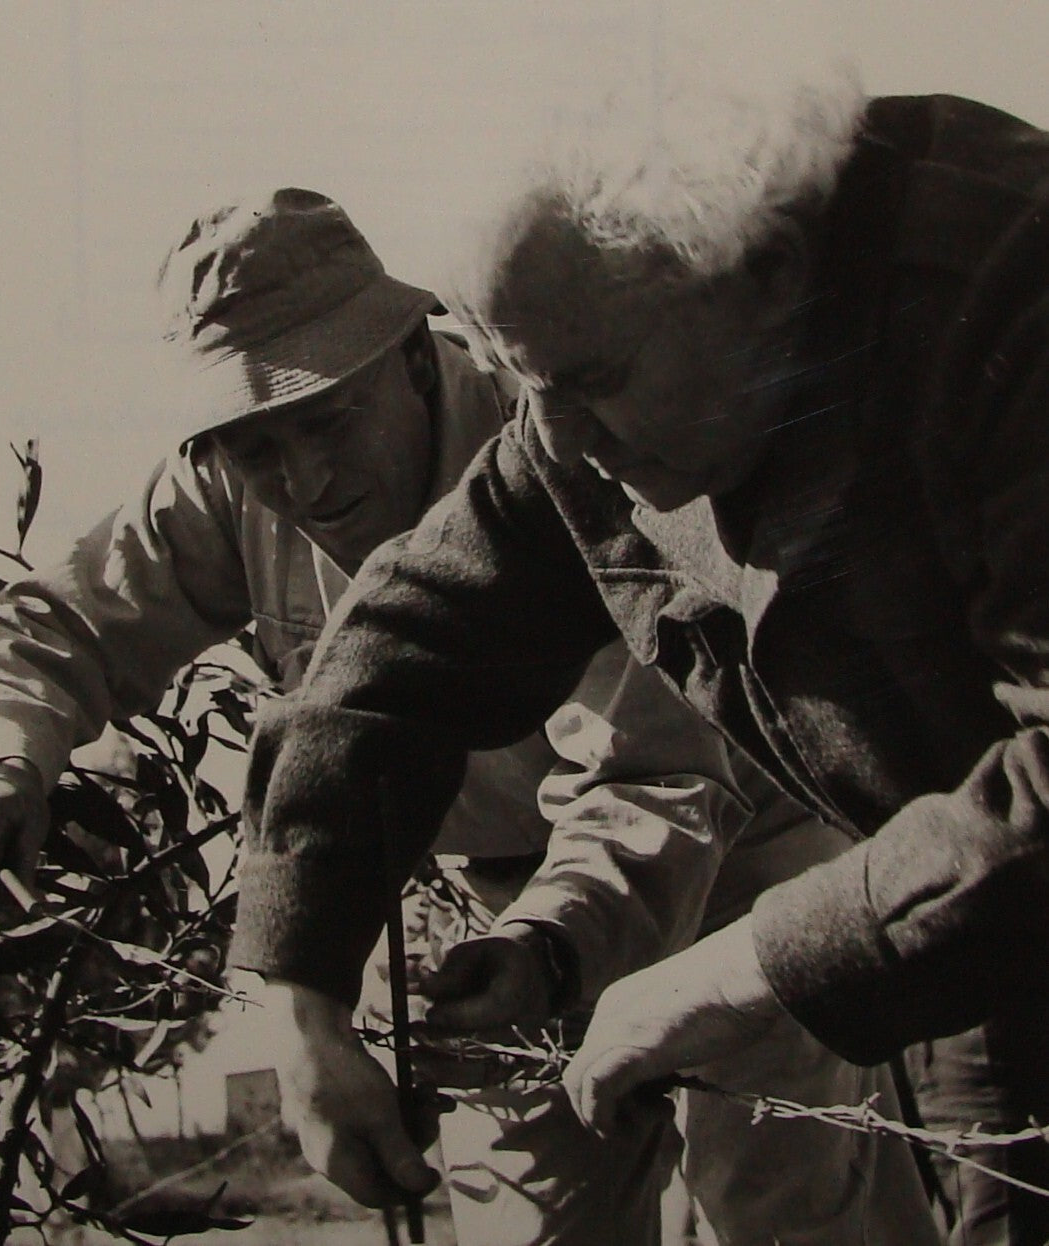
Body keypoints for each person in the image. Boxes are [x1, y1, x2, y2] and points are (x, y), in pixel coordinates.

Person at [0, 187, 936, 1245]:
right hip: (489, 920)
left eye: (327, 420)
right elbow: (57, 624)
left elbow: (657, 770)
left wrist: (549, 946)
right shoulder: (222, 485)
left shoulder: (567, 432)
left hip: (733, 851)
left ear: (412, 354)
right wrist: (0, 759)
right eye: (256, 445)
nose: (302, 479)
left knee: (778, 1202)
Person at [222, 78, 1049, 1245]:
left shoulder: (1012, 295)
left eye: (593, 382)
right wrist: (302, 1001)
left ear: (765, 271)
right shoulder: (596, 376)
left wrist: (736, 970)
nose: (556, 439)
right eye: (523, 384)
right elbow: (403, 646)